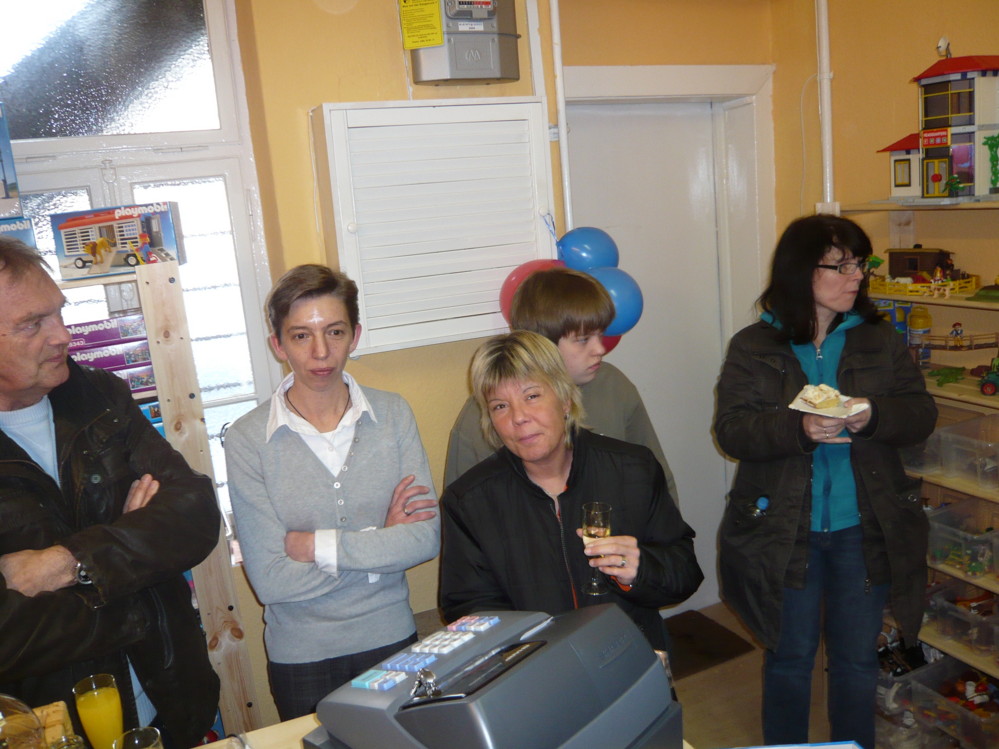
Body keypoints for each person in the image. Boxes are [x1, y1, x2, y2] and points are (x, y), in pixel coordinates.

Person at [713, 214, 937, 749]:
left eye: (859, 264)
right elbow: (732, 430)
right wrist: (800, 428)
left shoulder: (879, 339)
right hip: (784, 530)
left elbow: (921, 414)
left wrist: (873, 415)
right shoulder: (753, 345)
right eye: (840, 265)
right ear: (801, 271)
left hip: (864, 527)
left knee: (856, 660)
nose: (856, 276)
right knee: (789, 657)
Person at [0, 236, 220, 747]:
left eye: (59, 313)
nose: (63, 335)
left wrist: (66, 563)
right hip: (53, 731)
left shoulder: (99, 395)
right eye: (33, 324)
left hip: (171, 705)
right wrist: (134, 558)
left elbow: (194, 512)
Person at [224, 264, 439, 720]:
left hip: (391, 640)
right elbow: (271, 581)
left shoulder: (393, 415)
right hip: (301, 657)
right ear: (278, 345)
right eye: (301, 336)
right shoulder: (247, 438)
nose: (321, 352)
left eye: (335, 332)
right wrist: (380, 543)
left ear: (355, 336)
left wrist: (315, 547)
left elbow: (424, 539)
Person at [439, 330, 702, 653]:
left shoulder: (633, 469)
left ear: (565, 399)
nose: (518, 418)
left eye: (532, 396)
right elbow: (468, 606)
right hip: (536, 667)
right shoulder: (469, 501)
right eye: (500, 406)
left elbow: (685, 571)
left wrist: (641, 570)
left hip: (631, 654)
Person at [443, 267, 679, 503]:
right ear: (543, 344)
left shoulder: (615, 386)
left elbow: (657, 480)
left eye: (600, 335)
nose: (600, 349)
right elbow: (462, 507)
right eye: (583, 340)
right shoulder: (482, 414)